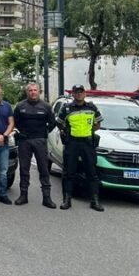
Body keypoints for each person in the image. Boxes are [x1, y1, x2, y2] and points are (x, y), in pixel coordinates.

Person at [57, 84, 105, 212]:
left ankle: (94, 201)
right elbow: (59, 123)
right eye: (76, 92)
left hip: (87, 143)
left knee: (91, 172)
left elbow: (98, 124)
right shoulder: (67, 108)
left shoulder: (92, 107)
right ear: (73, 94)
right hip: (72, 143)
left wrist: (88, 132)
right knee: (68, 173)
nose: (79, 94)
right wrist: (66, 132)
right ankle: (67, 200)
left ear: (85, 93)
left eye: (81, 92)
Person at [13, 83, 57, 209]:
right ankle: (23, 195)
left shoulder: (46, 107)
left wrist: (44, 133)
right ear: (27, 92)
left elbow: (52, 122)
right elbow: (15, 122)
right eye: (30, 90)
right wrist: (21, 133)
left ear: (39, 92)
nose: (33, 92)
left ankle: (47, 198)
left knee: (44, 169)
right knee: (24, 169)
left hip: (40, 140)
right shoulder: (20, 106)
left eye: (35, 90)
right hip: (24, 141)